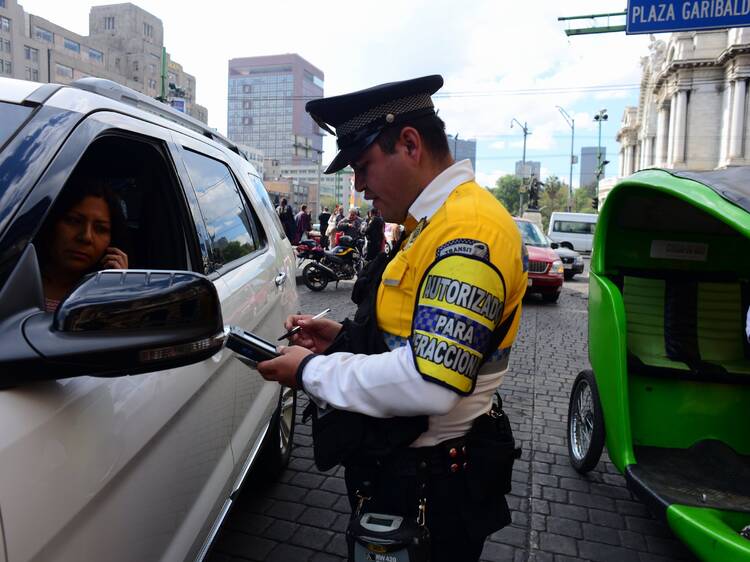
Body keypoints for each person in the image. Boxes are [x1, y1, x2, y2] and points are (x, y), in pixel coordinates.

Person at [257, 75, 527, 561]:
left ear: (409, 143)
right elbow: (417, 337)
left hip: (432, 484)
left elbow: (431, 380)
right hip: (409, 470)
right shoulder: (432, 222)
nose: (358, 186)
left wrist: (309, 371)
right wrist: (343, 338)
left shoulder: (470, 230)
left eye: (363, 166)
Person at [37, 177, 129, 313]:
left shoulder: (106, 294)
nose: (86, 237)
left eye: (100, 229)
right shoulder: (12, 281)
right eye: (73, 221)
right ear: (51, 223)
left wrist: (119, 289)